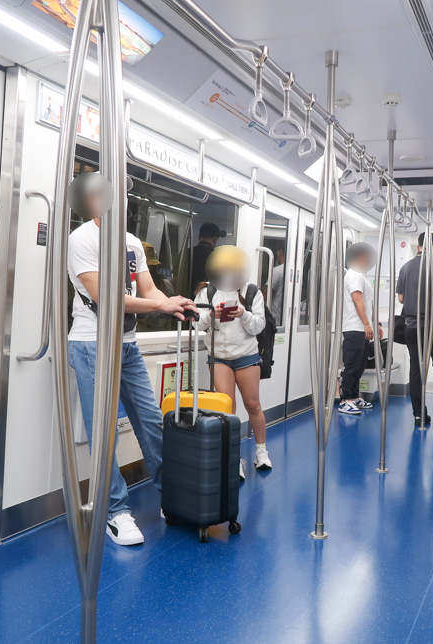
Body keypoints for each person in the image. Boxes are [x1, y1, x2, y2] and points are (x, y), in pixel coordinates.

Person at [67, 172, 197, 546]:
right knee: (103, 431)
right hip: (92, 344)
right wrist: (160, 303)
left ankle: (171, 495)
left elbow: (149, 288)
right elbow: (106, 296)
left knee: (152, 421)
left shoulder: (131, 244)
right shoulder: (82, 240)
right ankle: (116, 511)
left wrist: (173, 304)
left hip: (126, 342)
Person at [194, 246, 271, 474]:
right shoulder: (207, 292)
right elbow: (197, 324)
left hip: (246, 356)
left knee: (253, 405)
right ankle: (233, 457)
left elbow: (259, 325)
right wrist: (211, 315)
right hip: (219, 358)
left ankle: (261, 451)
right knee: (228, 409)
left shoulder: (251, 292)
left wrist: (243, 314)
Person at [396, 232, 433, 425]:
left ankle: (419, 415)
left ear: (419, 245)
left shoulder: (406, 267)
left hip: (411, 327)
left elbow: (401, 298)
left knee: (416, 370)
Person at [338, 243, 382, 415]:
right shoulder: (354, 274)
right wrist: (366, 324)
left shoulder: (361, 274)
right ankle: (345, 400)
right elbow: (357, 300)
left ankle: (354, 397)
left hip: (361, 328)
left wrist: (375, 323)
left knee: (360, 365)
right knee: (351, 365)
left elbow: (368, 303)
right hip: (354, 327)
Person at [190, 222, 224, 294]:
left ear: (199, 237)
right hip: (206, 297)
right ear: (215, 239)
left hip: (185, 297)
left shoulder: (187, 252)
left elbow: (175, 279)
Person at [267, 247, 286, 325]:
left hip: (273, 318)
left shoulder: (277, 271)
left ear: (280, 252)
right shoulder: (294, 272)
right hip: (284, 318)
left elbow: (267, 294)